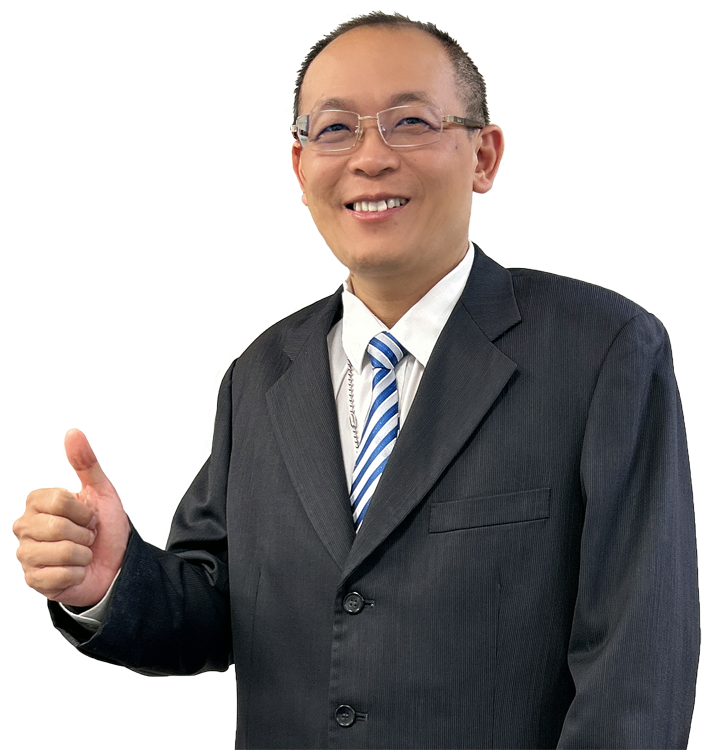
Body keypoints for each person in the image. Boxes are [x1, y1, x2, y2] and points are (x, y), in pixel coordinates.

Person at [12, 13, 700, 749]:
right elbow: (218, 612)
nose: (370, 158)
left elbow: (636, 667)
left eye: (411, 122)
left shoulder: (600, 352)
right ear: (299, 166)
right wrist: (111, 579)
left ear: (483, 157)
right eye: (335, 129)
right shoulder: (260, 377)